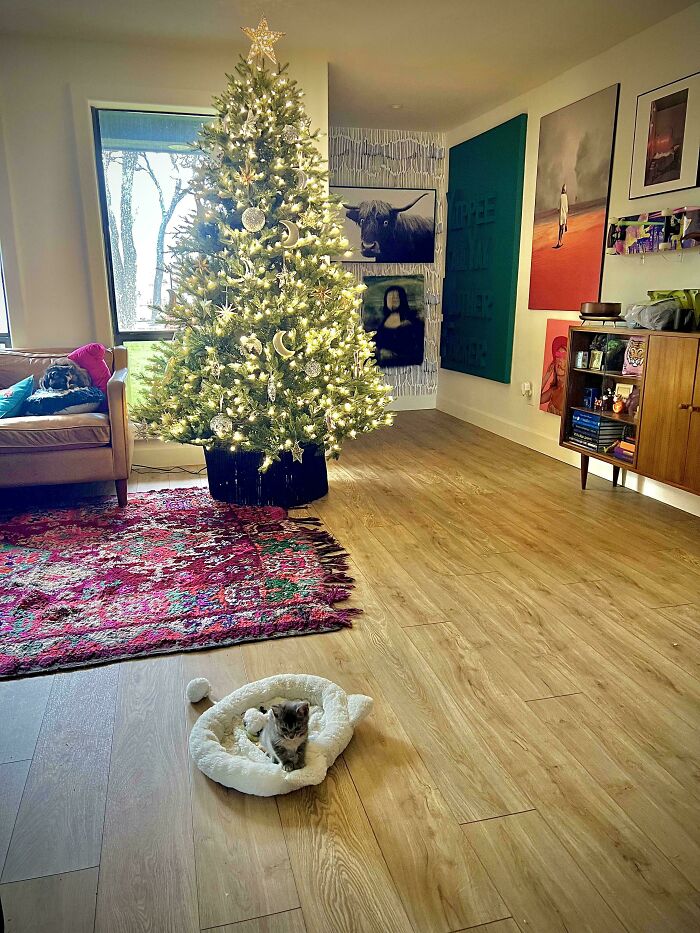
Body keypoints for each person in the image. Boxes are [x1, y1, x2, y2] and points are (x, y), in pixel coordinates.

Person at [373, 285, 425, 367]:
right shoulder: (381, 321)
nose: (392, 300)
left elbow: (416, 348)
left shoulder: (411, 321)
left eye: (396, 297)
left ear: (402, 299)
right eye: (390, 297)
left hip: (403, 365)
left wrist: (393, 353)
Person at [540, 334, 568, 415]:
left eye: (564, 356)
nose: (559, 360)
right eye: (558, 355)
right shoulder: (553, 390)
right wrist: (547, 375)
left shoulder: (568, 392)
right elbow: (536, 400)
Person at [554, 183, 568, 248]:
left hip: (561, 215)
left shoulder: (560, 196)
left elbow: (558, 208)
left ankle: (559, 241)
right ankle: (559, 241)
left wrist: (560, 210)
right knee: (562, 228)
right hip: (564, 215)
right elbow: (566, 209)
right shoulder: (565, 197)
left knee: (560, 229)